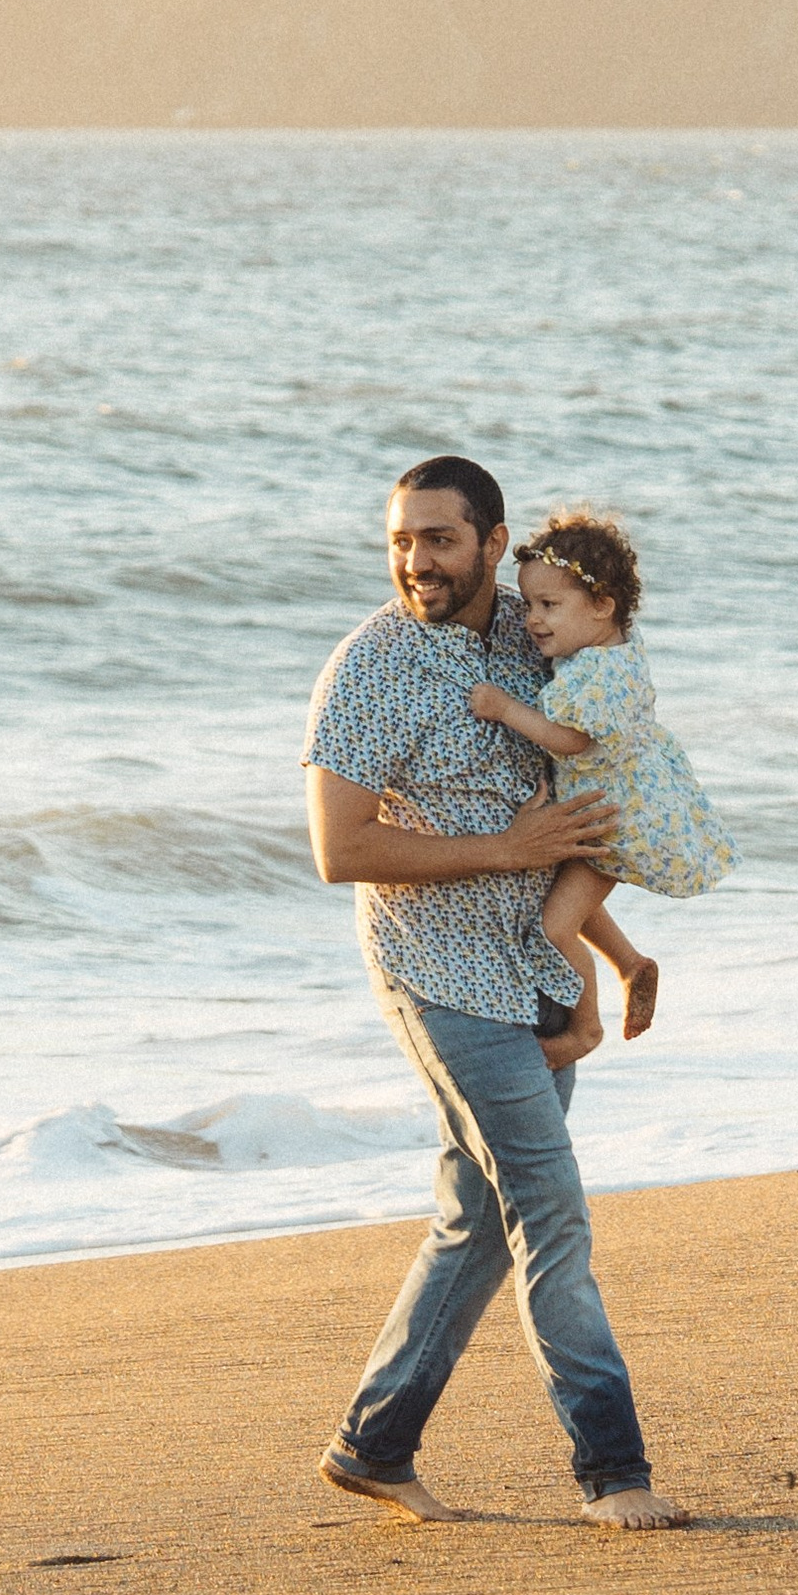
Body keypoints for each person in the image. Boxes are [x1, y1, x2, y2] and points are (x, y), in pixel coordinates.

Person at [303, 455, 689, 1531]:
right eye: (400, 540)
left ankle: (373, 1444)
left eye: (438, 538)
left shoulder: (545, 630)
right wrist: (504, 845)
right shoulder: (367, 667)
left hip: (531, 962)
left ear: (490, 538)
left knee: (479, 1218)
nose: (415, 560)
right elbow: (339, 848)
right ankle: (614, 1470)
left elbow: (603, 782)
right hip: (435, 972)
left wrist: (611, 950)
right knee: (551, 1211)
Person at [466, 508, 735, 1060]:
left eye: (549, 605)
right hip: (618, 800)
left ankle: (585, 1028)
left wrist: (503, 708)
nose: (532, 620)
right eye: (530, 604)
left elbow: (570, 741)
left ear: (601, 606)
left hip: (608, 818)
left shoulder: (594, 676)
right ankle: (631, 964)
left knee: (555, 926)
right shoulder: (614, 646)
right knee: (574, 897)